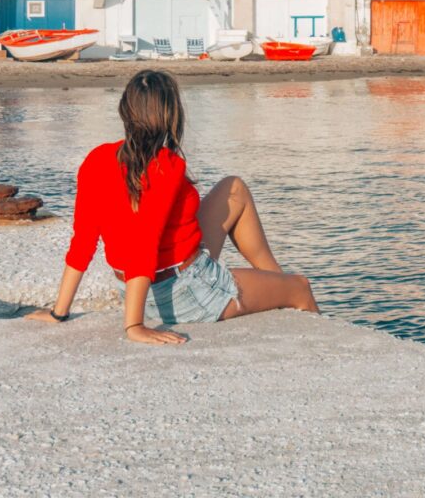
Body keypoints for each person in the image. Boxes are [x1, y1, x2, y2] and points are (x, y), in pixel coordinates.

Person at [28, 69, 318, 344]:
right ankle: (303, 321)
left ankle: (274, 281)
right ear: (171, 115)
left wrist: (58, 313)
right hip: (186, 292)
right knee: (301, 287)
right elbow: (143, 244)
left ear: (125, 111)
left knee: (234, 189)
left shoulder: (97, 159)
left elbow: (83, 241)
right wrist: (134, 326)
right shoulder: (166, 166)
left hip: (142, 285)